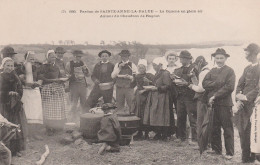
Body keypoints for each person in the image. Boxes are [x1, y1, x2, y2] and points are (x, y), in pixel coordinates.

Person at [202, 48, 235, 160]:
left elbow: (229, 87)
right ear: (214, 59)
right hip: (214, 104)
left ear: (225, 58)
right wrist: (217, 83)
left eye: (221, 58)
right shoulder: (211, 71)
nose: (219, 60)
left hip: (225, 104)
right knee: (214, 127)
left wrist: (215, 95)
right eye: (217, 58)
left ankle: (230, 153)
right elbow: (204, 83)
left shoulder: (230, 71)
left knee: (227, 128)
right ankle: (217, 149)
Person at [235, 43, 260, 163]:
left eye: (247, 52)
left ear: (254, 53)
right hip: (244, 105)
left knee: (255, 131)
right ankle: (245, 158)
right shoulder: (247, 68)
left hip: (255, 105)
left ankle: (256, 157)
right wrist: (238, 97)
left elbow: (258, 88)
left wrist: (245, 97)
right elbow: (240, 84)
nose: (245, 55)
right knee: (243, 130)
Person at [0, 57, 27, 157]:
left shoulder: (15, 76)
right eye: (8, 65)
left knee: (16, 126)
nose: (10, 68)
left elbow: (20, 88)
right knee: (5, 127)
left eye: (11, 66)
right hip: (4, 105)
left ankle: (16, 150)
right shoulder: (1, 77)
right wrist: (7, 93)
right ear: (3, 66)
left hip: (15, 105)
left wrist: (17, 94)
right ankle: (4, 150)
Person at [38, 50, 68, 136]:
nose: (53, 58)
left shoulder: (56, 66)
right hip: (48, 89)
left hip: (58, 88)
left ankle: (57, 127)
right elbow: (41, 78)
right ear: (47, 57)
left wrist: (63, 79)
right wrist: (54, 80)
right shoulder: (43, 66)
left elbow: (59, 76)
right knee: (49, 110)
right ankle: (49, 128)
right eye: (51, 57)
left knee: (58, 109)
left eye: (54, 57)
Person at [143, 57, 172, 140]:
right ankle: (158, 133)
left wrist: (156, 88)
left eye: (155, 65)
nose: (154, 67)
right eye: (153, 65)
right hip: (157, 96)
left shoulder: (165, 73)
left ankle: (164, 134)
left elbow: (167, 86)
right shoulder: (157, 73)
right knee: (157, 114)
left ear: (160, 65)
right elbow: (158, 83)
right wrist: (150, 82)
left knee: (162, 114)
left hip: (163, 97)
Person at [174, 50, 198, 143]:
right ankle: (181, 137)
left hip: (190, 97)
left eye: (183, 58)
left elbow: (197, 83)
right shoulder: (179, 69)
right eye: (180, 58)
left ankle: (195, 139)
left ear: (189, 59)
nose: (181, 60)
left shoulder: (194, 69)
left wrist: (186, 83)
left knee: (192, 118)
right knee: (180, 117)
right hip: (180, 97)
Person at [188, 56, 210, 145]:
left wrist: (190, 86)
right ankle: (207, 143)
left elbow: (200, 89)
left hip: (202, 99)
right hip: (208, 99)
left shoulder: (203, 73)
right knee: (206, 121)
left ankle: (202, 144)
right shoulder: (209, 70)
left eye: (196, 66)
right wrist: (193, 78)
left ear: (199, 63)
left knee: (200, 122)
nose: (196, 68)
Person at [130, 59, 154, 139]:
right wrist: (132, 79)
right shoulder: (137, 76)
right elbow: (131, 86)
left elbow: (154, 84)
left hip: (147, 96)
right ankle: (139, 132)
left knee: (146, 114)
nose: (140, 69)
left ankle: (147, 133)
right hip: (139, 96)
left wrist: (149, 82)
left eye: (142, 67)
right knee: (138, 113)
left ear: (145, 68)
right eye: (139, 67)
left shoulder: (149, 75)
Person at [111, 50, 137, 114]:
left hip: (129, 88)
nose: (124, 57)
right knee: (119, 105)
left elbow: (136, 76)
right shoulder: (117, 65)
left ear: (128, 57)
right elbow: (113, 76)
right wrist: (119, 68)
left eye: (125, 56)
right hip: (119, 88)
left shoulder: (132, 65)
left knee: (131, 104)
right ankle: (120, 120)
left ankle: (132, 119)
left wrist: (130, 77)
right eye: (122, 56)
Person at [66, 50, 89, 117]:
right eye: (76, 56)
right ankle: (73, 117)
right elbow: (66, 74)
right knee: (73, 102)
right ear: (74, 56)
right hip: (74, 85)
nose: (78, 58)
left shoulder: (83, 63)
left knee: (84, 102)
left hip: (82, 85)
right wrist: (73, 76)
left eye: (79, 56)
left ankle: (84, 117)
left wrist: (85, 70)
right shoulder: (69, 64)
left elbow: (88, 75)